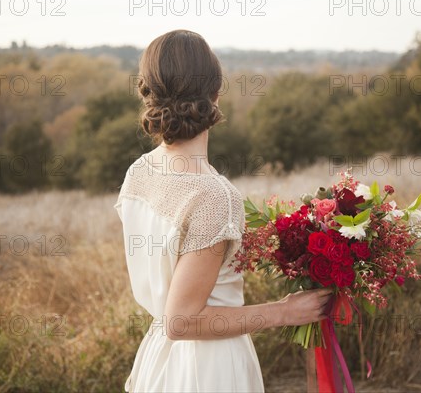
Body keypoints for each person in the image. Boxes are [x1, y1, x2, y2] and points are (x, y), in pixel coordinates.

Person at [115, 29, 332, 393]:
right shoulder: (213, 196)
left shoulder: (139, 172)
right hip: (207, 369)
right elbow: (182, 321)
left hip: (161, 363)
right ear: (216, 93)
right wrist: (286, 311)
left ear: (148, 92)